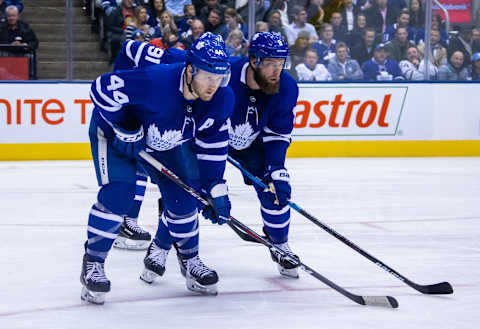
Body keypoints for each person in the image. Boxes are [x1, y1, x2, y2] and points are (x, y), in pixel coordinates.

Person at [81, 32, 234, 304]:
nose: (214, 85)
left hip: (164, 142)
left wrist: (215, 187)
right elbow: (101, 87)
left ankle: (190, 262)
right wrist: (125, 124)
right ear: (190, 70)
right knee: (119, 195)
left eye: (220, 77)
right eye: (208, 77)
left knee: (186, 199)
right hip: (116, 137)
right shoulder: (156, 80)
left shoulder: (222, 99)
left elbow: (213, 145)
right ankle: (93, 264)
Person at [227, 32, 301, 278]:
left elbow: (278, 133)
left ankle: (279, 243)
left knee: (274, 191)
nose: (276, 70)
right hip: (212, 139)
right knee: (190, 192)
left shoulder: (287, 87)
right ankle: (179, 250)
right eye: (270, 63)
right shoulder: (225, 75)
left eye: (281, 64)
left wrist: (277, 170)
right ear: (253, 60)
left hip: (253, 145)